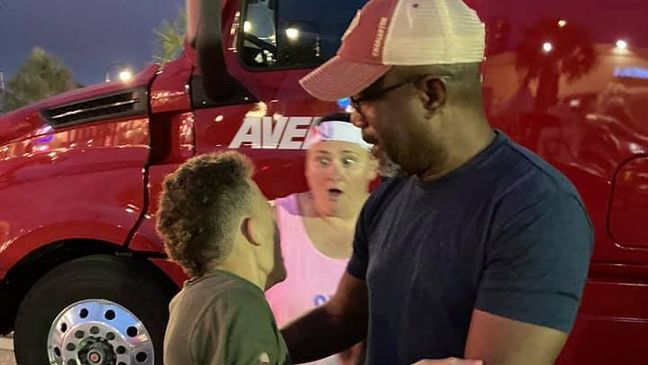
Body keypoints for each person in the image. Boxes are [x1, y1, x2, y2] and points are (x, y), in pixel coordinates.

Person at [282, 1, 594, 365]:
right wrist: (247, 353)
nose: (356, 120)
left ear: (431, 94)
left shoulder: (536, 209)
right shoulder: (392, 193)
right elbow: (344, 317)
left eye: (364, 100)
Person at [156, 151, 291, 365]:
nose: (280, 228)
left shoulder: (190, 300)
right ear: (252, 230)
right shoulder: (240, 305)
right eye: (269, 213)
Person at [266, 113, 376, 365]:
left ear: (373, 167)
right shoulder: (273, 222)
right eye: (322, 160)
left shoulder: (392, 224)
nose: (333, 172)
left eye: (348, 161)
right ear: (306, 167)